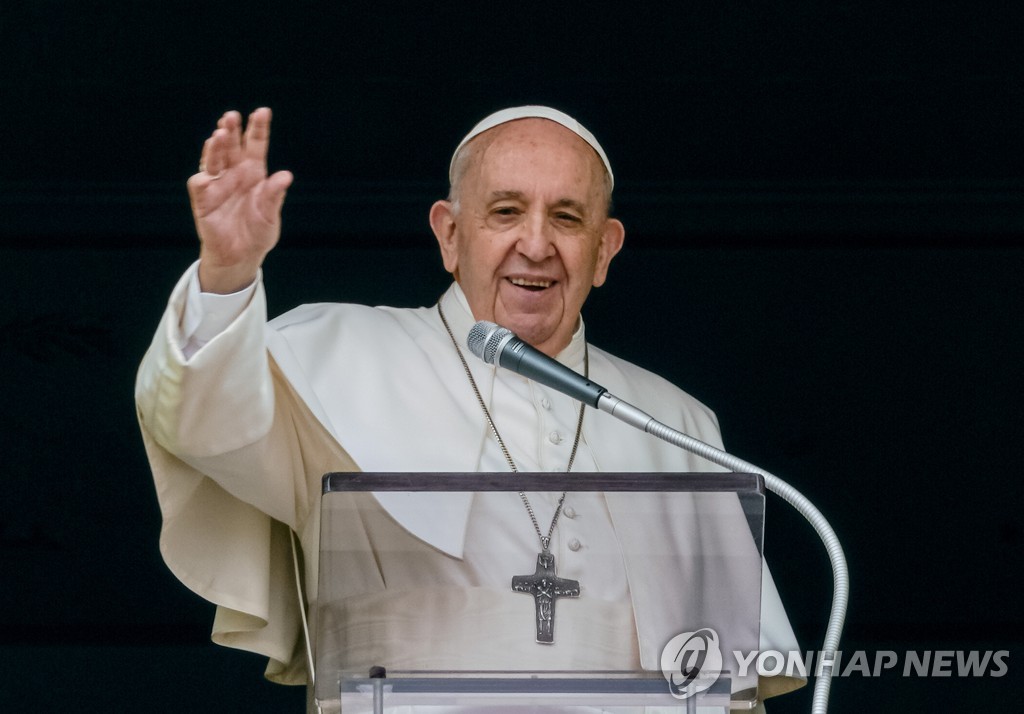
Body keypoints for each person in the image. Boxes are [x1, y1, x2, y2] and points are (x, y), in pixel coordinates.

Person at [135, 106, 804, 711]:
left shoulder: (677, 425)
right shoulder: (336, 357)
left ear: (604, 251)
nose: (536, 244)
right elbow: (202, 421)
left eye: (567, 218)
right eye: (506, 211)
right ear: (450, 235)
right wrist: (225, 276)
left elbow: (728, 691)